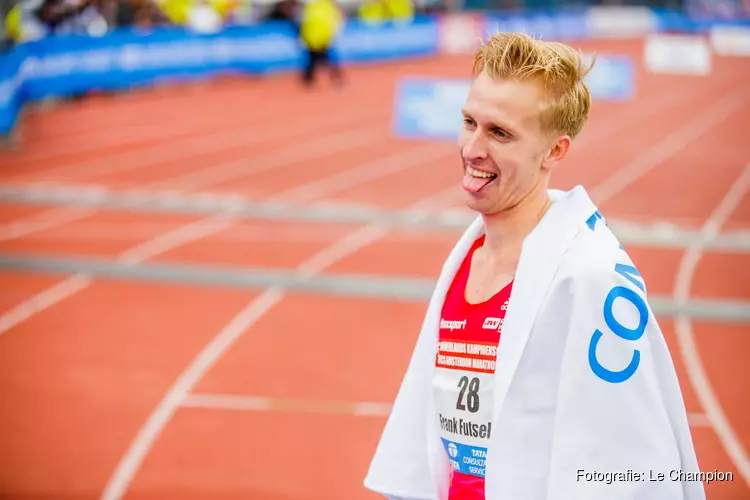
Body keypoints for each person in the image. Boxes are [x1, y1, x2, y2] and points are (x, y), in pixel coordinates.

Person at [364, 32, 705, 500]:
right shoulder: (467, 259)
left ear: (555, 151)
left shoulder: (592, 279)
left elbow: (629, 469)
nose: (472, 148)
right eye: (469, 122)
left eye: (500, 133)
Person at [298, 0, 344, 87]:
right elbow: (304, 22)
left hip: (322, 38)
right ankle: (308, 79)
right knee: (314, 60)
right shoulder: (315, 6)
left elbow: (335, 22)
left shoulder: (324, 6)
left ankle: (336, 78)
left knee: (326, 59)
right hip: (314, 38)